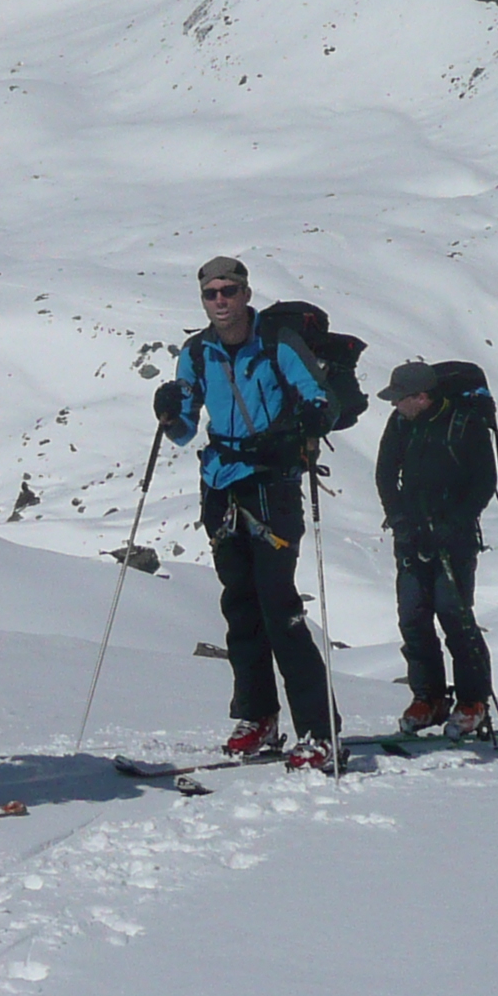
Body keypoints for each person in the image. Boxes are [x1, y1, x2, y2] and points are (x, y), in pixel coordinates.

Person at [156, 256, 338, 769]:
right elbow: (186, 428)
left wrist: (308, 416)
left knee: (280, 607)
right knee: (240, 606)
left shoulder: (277, 343)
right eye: (211, 293)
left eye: (229, 290)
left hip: (271, 484)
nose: (220, 300)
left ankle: (320, 730)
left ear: (245, 293)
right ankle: (258, 716)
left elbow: (323, 400)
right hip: (220, 483)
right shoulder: (196, 352)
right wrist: (169, 411)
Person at [373, 360, 498, 736]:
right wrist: (398, 520)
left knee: (455, 616)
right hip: (411, 535)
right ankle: (428, 697)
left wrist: (454, 524)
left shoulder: (465, 423)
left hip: (453, 539)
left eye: (401, 399)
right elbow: (384, 474)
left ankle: (473, 700)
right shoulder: (400, 424)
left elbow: (483, 482)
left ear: (422, 397)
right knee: (413, 616)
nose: (396, 405)